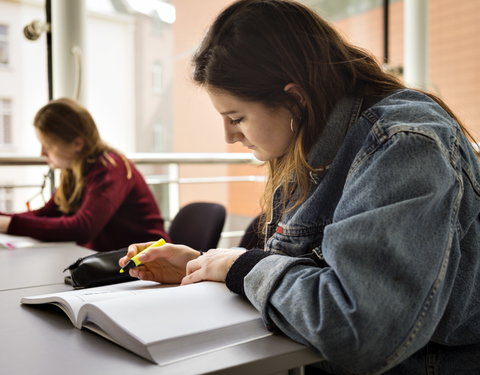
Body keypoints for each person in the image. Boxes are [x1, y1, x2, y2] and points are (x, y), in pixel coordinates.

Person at [119, 0, 480, 373]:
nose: (229, 137)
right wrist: (205, 267)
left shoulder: (404, 145)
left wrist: (239, 268)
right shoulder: (311, 142)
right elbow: (307, 273)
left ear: (295, 98)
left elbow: (358, 329)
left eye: (237, 118)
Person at [0, 97, 169, 251]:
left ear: (77, 144)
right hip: (112, 260)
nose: (42, 153)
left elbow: (83, 228)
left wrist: (10, 224)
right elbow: (45, 213)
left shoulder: (110, 167)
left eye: (48, 145)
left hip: (147, 263)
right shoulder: (74, 172)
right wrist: (4, 219)